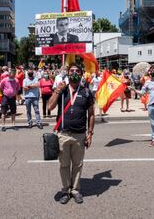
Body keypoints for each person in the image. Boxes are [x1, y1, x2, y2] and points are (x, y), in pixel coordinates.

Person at [48, 63, 95, 205]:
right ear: (68, 73)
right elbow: (50, 107)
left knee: (78, 165)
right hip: (63, 134)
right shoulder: (62, 90)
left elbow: (91, 114)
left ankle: (75, 190)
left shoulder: (86, 92)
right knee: (64, 165)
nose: (74, 72)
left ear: (81, 74)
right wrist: (57, 91)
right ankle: (65, 191)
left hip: (80, 135)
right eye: (71, 70)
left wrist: (90, 133)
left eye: (77, 71)